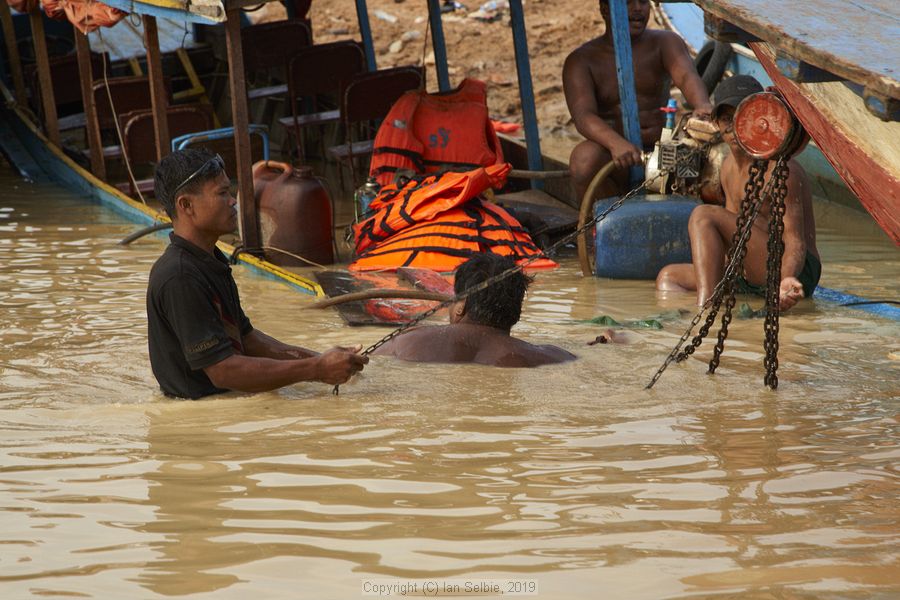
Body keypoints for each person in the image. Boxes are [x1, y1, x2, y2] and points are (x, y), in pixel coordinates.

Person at [146, 148, 367, 399]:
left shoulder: (209, 260)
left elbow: (247, 339)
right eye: (222, 193)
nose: (233, 201)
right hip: (204, 412)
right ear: (186, 205)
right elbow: (224, 371)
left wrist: (325, 359)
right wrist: (316, 369)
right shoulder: (181, 276)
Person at [655, 75, 821, 311]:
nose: (733, 127)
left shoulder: (784, 170)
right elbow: (731, 232)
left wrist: (785, 281)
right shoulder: (726, 169)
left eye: (741, 118)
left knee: (703, 215)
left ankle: (705, 311)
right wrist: (718, 273)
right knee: (668, 277)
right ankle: (701, 312)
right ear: (716, 124)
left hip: (793, 269)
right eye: (726, 118)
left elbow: (795, 241)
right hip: (752, 266)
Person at [563, 0, 714, 201]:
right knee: (584, 159)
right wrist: (616, 143)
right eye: (627, 3)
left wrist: (702, 105)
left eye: (643, 1)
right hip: (613, 159)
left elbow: (686, 76)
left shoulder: (665, 42)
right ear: (605, 9)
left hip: (663, 152)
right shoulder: (581, 60)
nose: (637, 9)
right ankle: (602, 225)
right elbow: (583, 116)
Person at [374, 253, 575, 367]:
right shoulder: (552, 356)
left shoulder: (408, 340)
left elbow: (367, 363)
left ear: (461, 305)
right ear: (517, 311)